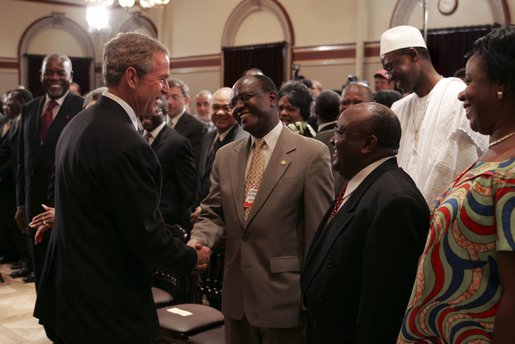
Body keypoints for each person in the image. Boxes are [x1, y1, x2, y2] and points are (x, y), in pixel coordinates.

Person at [33, 32, 211, 344]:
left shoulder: (78, 124)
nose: (166, 90)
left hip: (72, 299)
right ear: (132, 76)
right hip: (108, 307)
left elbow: (99, 212)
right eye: (162, 79)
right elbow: (143, 234)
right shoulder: (126, 142)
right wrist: (188, 258)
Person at [189, 74, 334, 344]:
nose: (238, 107)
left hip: (284, 300)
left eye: (246, 98)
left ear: (271, 98)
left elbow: (318, 235)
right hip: (235, 296)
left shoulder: (311, 153)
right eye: (234, 102)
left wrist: (312, 302)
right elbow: (212, 211)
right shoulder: (226, 155)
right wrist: (199, 241)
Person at [398, 26, 515, 344]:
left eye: (472, 81)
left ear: (502, 86)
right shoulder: (495, 150)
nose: (462, 92)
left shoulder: (511, 170)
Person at [301, 102, 429, 344]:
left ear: (368, 144)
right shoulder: (360, 182)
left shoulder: (395, 200)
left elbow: (383, 306)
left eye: (341, 132)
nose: (332, 140)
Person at [380, 25, 488, 206]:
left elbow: (468, 163)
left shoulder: (457, 96)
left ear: (413, 55)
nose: (389, 77)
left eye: (391, 67)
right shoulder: (398, 108)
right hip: (404, 215)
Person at [15, 53, 84, 286]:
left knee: (63, 279)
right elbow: (21, 161)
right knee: (41, 276)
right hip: (33, 207)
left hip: (64, 209)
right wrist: (20, 203)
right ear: (41, 75)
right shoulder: (29, 109)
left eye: (60, 72)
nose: (54, 77)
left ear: (70, 76)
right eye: (49, 72)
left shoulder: (82, 108)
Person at [140, 95, 197, 230]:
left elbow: (188, 189)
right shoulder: (138, 138)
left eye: (153, 110)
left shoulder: (178, 143)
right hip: (143, 216)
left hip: (167, 220)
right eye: (144, 110)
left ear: (165, 113)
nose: (146, 114)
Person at [192, 87, 248, 222]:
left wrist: (205, 208)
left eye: (226, 108)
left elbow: (235, 186)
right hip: (200, 214)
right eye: (215, 107)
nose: (220, 112)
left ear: (236, 109)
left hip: (225, 218)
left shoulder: (244, 140)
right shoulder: (207, 136)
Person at [0, 89, 33, 272]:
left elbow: (17, 158)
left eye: (10, 100)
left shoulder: (27, 123)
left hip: (19, 183)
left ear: (21, 102)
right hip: (12, 182)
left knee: (24, 226)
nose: (6, 103)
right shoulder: (13, 123)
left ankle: (28, 261)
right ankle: (22, 258)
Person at [166, 79, 207, 163]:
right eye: (166, 97)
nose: (169, 102)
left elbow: (193, 162)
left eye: (174, 97)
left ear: (186, 100)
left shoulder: (197, 127)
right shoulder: (162, 123)